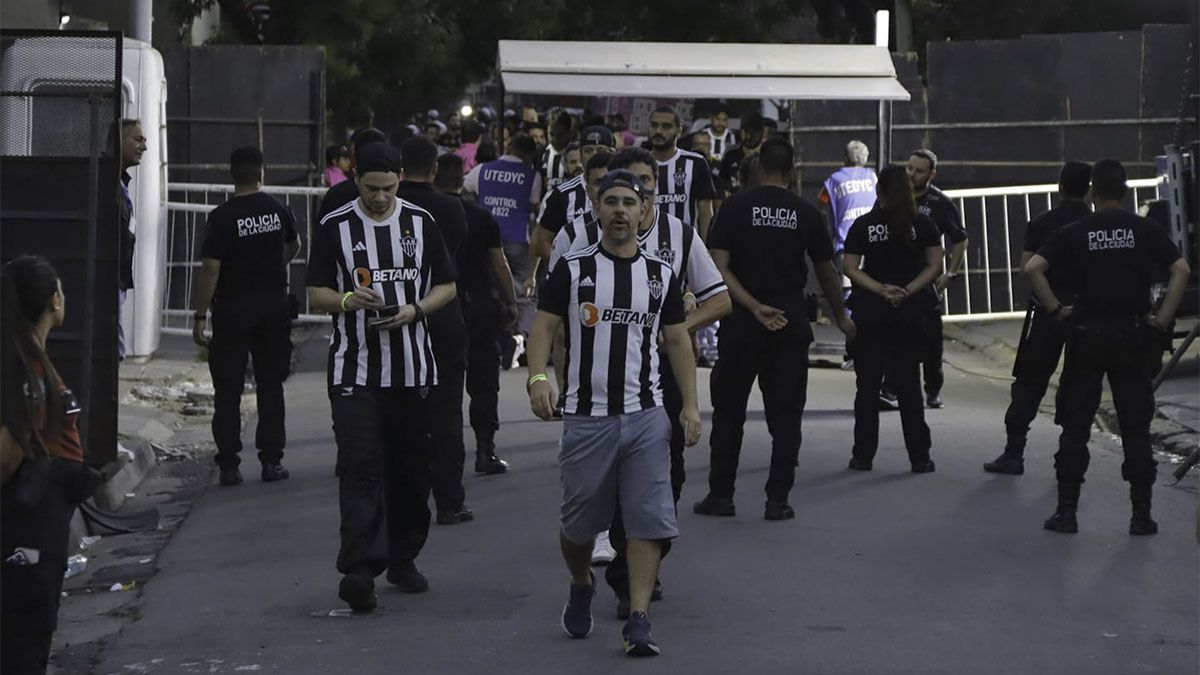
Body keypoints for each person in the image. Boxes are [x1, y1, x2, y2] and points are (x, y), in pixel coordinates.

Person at [527, 170, 701, 657]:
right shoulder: (572, 268)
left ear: (644, 211)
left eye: (630, 202)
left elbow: (677, 341)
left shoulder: (660, 274)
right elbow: (544, 328)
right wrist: (538, 378)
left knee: (646, 520)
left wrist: (690, 405)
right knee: (578, 527)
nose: (621, 210)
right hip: (586, 417)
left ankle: (639, 618)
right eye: (612, 202)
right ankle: (581, 582)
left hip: (646, 415)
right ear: (598, 209)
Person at [306, 143, 458, 612]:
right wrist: (348, 300)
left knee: (411, 469)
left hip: (412, 368)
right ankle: (358, 570)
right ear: (356, 180)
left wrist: (416, 309)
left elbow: (447, 285)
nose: (379, 197)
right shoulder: (335, 226)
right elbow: (315, 293)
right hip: (354, 369)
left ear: (399, 179)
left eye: (388, 188)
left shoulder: (421, 222)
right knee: (359, 466)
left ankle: (403, 556)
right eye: (371, 189)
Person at [692, 138, 855, 520]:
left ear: (759, 167)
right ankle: (777, 500)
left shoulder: (735, 207)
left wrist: (751, 305)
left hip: (741, 324)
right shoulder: (806, 212)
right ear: (792, 170)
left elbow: (718, 268)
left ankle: (721, 495)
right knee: (786, 416)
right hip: (789, 321)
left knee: (729, 411)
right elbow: (827, 272)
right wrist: (841, 316)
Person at [1027, 159, 1189, 535]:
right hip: (1132, 335)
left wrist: (1056, 309)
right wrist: (1162, 318)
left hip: (1087, 335)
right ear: (1126, 191)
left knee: (1076, 426)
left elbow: (1033, 268)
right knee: (1135, 425)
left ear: (1092, 193)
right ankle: (1141, 515)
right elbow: (1181, 269)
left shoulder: (1074, 231)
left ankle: (1067, 512)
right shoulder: (1144, 229)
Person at [1, 255, 98, 674]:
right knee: (24, 640)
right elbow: (6, 457)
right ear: (53, 300)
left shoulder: (30, 358)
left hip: (42, 522)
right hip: (27, 529)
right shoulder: (25, 371)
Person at [192, 146, 300, 486]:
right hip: (273, 307)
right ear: (261, 173)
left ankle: (229, 465)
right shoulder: (278, 209)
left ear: (232, 175)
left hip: (232, 310)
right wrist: (273, 265)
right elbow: (294, 246)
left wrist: (199, 315)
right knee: (271, 385)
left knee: (228, 389)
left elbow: (210, 269)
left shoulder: (221, 217)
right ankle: (272, 461)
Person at [984, 162, 1093, 476]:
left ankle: (1014, 452)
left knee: (1030, 382)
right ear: (1089, 189)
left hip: (1049, 310)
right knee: (1080, 383)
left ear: (1061, 187)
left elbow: (1026, 267)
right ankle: (1069, 457)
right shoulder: (1095, 223)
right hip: (1087, 312)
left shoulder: (1043, 222)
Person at [394, 137, 481, 525]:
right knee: (446, 411)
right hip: (443, 311)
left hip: (398, 313)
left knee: (400, 409)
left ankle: (403, 498)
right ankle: (449, 499)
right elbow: (457, 253)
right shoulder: (449, 207)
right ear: (433, 170)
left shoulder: (392, 206)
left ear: (400, 170)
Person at [841, 165, 943, 473]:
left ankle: (863, 455)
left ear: (879, 191)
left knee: (867, 387)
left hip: (871, 311)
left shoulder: (864, 225)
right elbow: (935, 264)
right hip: (909, 313)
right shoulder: (922, 224)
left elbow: (850, 267)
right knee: (909, 385)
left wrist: (880, 289)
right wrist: (908, 290)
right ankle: (920, 457)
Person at [435, 154, 517, 481]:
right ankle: (485, 448)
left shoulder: (425, 214)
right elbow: (499, 263)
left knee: (445, 382)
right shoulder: (481, 216)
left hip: (440, 306)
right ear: (463, 181)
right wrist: (510, 301)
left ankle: (444, 449)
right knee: (484, 382)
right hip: (481, 303)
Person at [882, 148, 967, 409]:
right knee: (893, 336)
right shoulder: (892, 198)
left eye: (919, 171)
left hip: (925, 280)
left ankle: (933, 389)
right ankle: (890, 388)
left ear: (932, 174)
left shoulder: (940, 203)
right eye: (909, 168)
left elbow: (960, 239)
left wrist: (950, 273)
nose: (911, 174)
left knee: (930, 340)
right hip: (895, 277)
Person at [467, 134, 542, 344]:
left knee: (491, 288)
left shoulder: (481, 169)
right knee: (523, 292)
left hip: (484, 239)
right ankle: (520, 338)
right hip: (517, 239)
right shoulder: (533, 176)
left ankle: (494, 337)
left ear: (509, 148)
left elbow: (462, 189)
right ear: (530, 155)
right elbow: (534, 205)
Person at [526, 126, 617, 297]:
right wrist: (569, 264)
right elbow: (543, 242)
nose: (594, 155)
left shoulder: (627, 190)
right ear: (580, 154)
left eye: (600, 150)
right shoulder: (562, 194)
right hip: (574, 282)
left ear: (613, 152)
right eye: (588, 150)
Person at [648, 107, 716, 239]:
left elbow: (706, 211)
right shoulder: (638, 163)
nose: (658, 131)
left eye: (666, 126)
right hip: (645, 244)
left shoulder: (696, 162)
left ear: (679, 131)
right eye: (654, 125)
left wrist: (704, 245)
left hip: (686, 243)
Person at [115, 118, 146, 360]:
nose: (144, 147)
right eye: (138, 139)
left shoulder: (121, 183)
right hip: (109, 281)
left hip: (118, 281)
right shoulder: (107, 183)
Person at [820, 140, 878, 255]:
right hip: (872, 242)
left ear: (845, 158)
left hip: (845, 245)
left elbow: (820, 205)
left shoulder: (834, 180)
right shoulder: (872, 177)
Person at [317, 127, 389, 220]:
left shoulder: (336, 195)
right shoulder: (398, 196)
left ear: (354, 155)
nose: (380, 198)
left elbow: (322, 226)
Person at [719, 112, 765, 199]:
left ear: (761, 132)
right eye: (745, 131)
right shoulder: (731, 155)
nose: (748, 136)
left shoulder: (767, 156)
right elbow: (722, 182)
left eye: (753, 132)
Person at [541, 112, 575, 191]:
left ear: (569, 133)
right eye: (551, 134)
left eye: (560, 134)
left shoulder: (576, 154)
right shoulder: (541, 154)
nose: (555, 139)